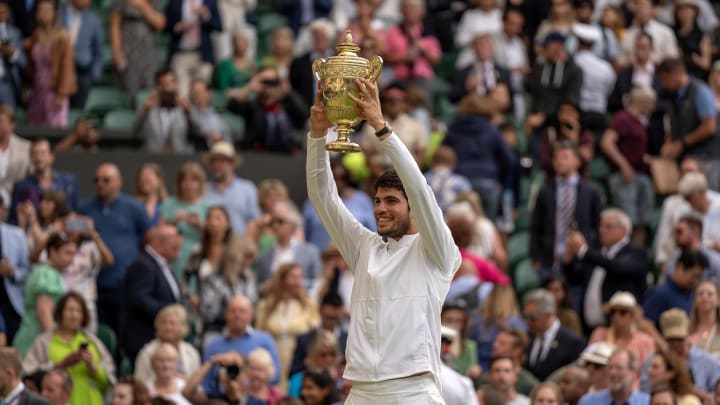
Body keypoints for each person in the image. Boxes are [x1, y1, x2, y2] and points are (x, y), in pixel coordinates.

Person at [307, 75, 462, 401]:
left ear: (412, 208)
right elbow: (323, 197)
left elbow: (420, 189)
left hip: (413, 391)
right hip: (361, 391)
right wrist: (318, 134)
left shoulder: (436, 252)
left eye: (391, 201)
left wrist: (381, 127)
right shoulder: (364, 248)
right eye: (377, 201)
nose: (380, 209)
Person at [78, 163, 151, 336]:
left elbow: (148, 236)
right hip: (93, 284)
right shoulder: (84, 208)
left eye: (106, 180)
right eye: (96, 180)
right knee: (97, 333)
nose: (100, 184)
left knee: (124, 332)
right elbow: (71, 233)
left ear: (119, 182)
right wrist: (77, 224)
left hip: (124, 283)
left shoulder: (134, 207)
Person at [564, 209, 649, 330]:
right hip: (589, 328)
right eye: (601, 226)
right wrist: (569, 259)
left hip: (619, 328)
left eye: (608, 227)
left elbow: (617, 267)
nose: (602, 231)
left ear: (623, 230)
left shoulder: (636, 253)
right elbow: (576, 279)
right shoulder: (597, 254)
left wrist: (583, 250)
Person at [23, 292, 114, 405]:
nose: (74, 315)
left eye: (79, 311)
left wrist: (92, 365)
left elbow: (109, 379)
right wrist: (60, 364)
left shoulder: (92, 341)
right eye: (70, 310)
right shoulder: (44, 341)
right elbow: (28, 375)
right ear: (60, 312)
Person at [531, 142, 604, 279]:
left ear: (577, 161)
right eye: (556, 158)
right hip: (550, 259)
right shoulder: (545, 191)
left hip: (581, 262)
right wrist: (536, 257)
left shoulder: (591, 192)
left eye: (564, 157)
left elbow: (599, 226)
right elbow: (536, 226)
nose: (559, 162)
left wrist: (593, 253)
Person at [442, 93, 514, 219]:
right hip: (488, 183)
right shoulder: (492, 130)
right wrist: (500, 181)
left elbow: (443, 155)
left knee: (461, 231)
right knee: (486, 229)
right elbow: (508, 161)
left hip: (460, 184)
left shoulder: (453, 129)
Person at [601, 86, 657, 245]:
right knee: (628, 221)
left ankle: (636, 258)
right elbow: (607, 143)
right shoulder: (623, 118)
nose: (653, 107)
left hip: (640, 174)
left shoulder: (639, 122)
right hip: (625, 177)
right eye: (652, 102)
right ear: (642, 101)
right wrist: (624, 165)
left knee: (642, 221)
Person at [122, 224, 183, 364]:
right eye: (175, 245)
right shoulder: (143, 265)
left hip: (161, 340)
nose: (179, 248)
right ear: (159, 241)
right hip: (145, 339)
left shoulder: (162, 264)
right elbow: (139, 299)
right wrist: (169, 313)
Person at [658, 58, 720, 190]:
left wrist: (681, 143)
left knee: (710, 200)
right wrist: (670, 144)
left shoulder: (700, 91)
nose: (663, 84)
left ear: (676, 73)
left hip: (708, 159)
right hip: (688, 160)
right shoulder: (673, 96)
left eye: (665, 79)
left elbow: (710, 127)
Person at [256, 263, 319, 391]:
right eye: (293, 277)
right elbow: (259, 333)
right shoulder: (266, 305)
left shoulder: (308, 304)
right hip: (273, 357)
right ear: (282, 279)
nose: (297, 282)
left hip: (298, 360)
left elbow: (315, 333)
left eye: (300, 277)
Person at [202, 295, 281, 398]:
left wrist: (248, 379)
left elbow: (276, 376)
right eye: (233, 311)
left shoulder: (264, 340)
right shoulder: (213, 345)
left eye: (242, 311)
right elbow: (206, 383)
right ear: (226, 314)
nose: (237, 315)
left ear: (251, 315)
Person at [13, 233, 75, 357]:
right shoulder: (47, 275)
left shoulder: (43, 271)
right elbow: (43, 313)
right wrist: (57, 343)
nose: (71, 259)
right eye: (67, 253)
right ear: (52, 251)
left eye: (73, 254)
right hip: (36, 341)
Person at [226, 65, 308, 153]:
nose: (268, 85)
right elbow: (232, 106)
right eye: (265, 81)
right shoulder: (252, 106)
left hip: (285, 156)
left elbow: (304, 113)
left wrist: (288, 91)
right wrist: (250, 87)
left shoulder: (285, 104)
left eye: (272, 81)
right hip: (258, 156)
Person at [641, 309, 720, 396]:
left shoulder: (706, 361)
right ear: (663, 337)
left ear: (687, 335)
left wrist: (698, 393)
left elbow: (716, 393)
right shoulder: (652, 361)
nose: (675, 344)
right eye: (671, 339)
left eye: (679, 339)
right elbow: (644, 391)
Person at [303, 158, 375, 252]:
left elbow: (374, 232)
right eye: (334, 178)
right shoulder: (313, 201)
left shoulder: (362, 200)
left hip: (356, 259)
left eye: (342, 178)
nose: (338, 182)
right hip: (321, 259)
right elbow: (305, 234)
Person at [25, 0, 76, 128]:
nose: (43, 14)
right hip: (37, 91)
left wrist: (62, 94)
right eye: (40, 11)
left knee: (53, 126)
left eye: (47, 11)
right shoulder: (36, 35)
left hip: (54, 90)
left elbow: (67, 68)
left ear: (55, 14)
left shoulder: (62, 37)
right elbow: (31, 65)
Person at [8, 139, 79, 225]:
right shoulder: (21, 186)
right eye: (35, 154)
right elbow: (13, 221)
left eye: (43, 153)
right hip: (31, 235)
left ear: (52, 156)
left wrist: (68, 226)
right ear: (31, 158)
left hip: (64, 234)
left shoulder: (69, 182)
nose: (38, 158)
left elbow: (75, 218)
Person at [255, 201, 321, 291]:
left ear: (293, 225)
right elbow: (258, 286)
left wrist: (295, 283)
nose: (275, 225)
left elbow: (317, 283)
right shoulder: (265, 256)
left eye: (280, 221)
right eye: (272, 222)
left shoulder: (310, 252)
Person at [109, 0, 166, 104]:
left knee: (150, 88)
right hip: (128, 51)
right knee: (130, 90)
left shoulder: (153, 2)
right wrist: (116, 50)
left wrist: (143, 6)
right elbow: (114, 24)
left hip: (148, 52)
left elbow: (160, 24)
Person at [199, 235, 258, 334]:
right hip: (217, 332)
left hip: (245, 333)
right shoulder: (213, 280)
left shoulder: (248, 279)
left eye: (250, 258)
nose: (248, 262)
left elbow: (253, 309)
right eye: (245, 257)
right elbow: (207, 314)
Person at [523, 289, 585, 381]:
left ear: (548, 315)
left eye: (532, 318)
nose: (527, 322)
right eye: (525, 317)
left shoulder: (573, 342)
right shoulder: (527, 337)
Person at [163, 0, 220, 99]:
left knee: (201, 95)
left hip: (202, 55)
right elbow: (165, 24)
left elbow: (219, 26)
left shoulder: (209, 2)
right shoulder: (175, 2)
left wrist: (206, 16)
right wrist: (177, 27)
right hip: (181, 54)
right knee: (182, 95)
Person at [587, 292, 655, 375]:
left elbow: (647, 373)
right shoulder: (599, 334)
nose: (616, 316)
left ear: (633, 316)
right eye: (613, 312)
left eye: (623, 312)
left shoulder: (645, 341)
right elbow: (588, 364)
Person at [159, 161, 208, 277]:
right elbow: (158, 235)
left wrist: (199, 225)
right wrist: (173, 222)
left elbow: (215, 238)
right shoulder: (168, 205)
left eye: (193, 180)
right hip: (172, 260)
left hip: (198, 260)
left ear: (200, 184)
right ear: (179, 183)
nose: (189, 185)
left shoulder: (208, 208)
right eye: (184, 180)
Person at [203, 141, 261, 235]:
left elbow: (255, 220)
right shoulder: (204, 189)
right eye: (214, 161)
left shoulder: (248, 189)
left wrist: (245, 243)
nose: (217, 165)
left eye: (221, 161)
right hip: (211, 245)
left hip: (239, 243)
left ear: (232, 164)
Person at [134, 304, 201, 382]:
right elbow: (140, 383)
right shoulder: (148, 352)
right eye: (163, 323)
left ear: (183, 327)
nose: (168, 328)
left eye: (172, 323)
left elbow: (197, 384)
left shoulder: (190, 351)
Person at [183, 205, 231, 312]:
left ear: (228, 223)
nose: (213, 222)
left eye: (218, 218)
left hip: (230, 310)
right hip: (203, 310)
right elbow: (184, 278)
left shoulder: (234, 250)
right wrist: (190, 296)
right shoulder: (198, 250)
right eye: (209, 218)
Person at [288, 292, 347, 377]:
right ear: (320, 311)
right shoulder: (304, 339)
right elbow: (294, 372)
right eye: (327, 317)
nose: (327, 359)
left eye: (333, 318)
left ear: (340, 313)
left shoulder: (348, 340)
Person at [133, 69, 192, 153]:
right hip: (154, 158)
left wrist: (188, 111)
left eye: (172, 82)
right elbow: (134, 131)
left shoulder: (183, 110)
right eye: (165, 84)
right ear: (158, 87)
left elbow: (199, 131)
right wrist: (144, 110)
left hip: (180, 157)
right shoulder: (149, 111)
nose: (169, 88)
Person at [58, 0, 103, 109]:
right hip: (59, 72)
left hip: (83, 74)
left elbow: (98, 51)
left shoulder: (93, 20)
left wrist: (93, 75)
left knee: (78, 111)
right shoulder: (57, 15)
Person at [572, 23, 616, 135]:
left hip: (577, 113)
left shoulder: (572, 63)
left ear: (578, 43)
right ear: (594, 45)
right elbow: (609, 89)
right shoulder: (605, 67)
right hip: (598, 113)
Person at [469, 285, 525, 372]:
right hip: (502, 369)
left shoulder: (476, 320)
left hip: (479, 367)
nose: (495, 345)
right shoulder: (516, 322)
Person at [643, 249, 708, 324]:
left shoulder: (695, 294)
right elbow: (645, 323)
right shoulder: (659, 293)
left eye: (699, 278)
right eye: (694, 276)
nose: (696, 281)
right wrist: (659, 336)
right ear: (680, 267)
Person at [0, 196, 31, 344]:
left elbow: (28, 271)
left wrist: (12, 272)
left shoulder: (17, 234)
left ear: (2, 209)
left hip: (11, 305)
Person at [450, 33, 511, 103]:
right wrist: (466, 88)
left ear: (492, 48)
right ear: (474, 50)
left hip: (495, 106)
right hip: (472, 107)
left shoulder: (503, 72)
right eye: (478, 46)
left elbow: (509, 98)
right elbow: (453, 96)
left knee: (501, 91)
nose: (481, 49)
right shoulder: (463, 72)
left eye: (485, 46)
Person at [578, 348, 649, 405]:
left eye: (619, 368)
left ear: (633, 373)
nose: (612, 373)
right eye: (610, 367)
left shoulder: (646, 402)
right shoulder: (589, 402)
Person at [619, 0, 678, 66]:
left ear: (652, 9)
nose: (640, 9)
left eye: (644, 5)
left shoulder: (665, 32)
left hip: (659, 73)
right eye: (638, 5)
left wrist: (654, 62)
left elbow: (673, 59)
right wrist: (633, 62)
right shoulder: (627, 35)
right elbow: (621, 61)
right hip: (634, 73)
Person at [287, 330, 340, 398]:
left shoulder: (341, 378)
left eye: (332, 354)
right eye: (323, 354)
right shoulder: (298, 380)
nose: (328, 359)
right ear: (313, 354)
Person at [0, 105, 31, 204]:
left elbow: (31, 176)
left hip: (17, 202)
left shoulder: (26, 147)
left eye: (1, 121)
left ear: (12, 124)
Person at [673, 0, 711, 80]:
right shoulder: (672, 32)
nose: (684, 13)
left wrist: (694, 58)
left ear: (694, 13)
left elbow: (706, 64)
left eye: (687, 9)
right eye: (681, 10)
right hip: (676, 73)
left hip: (696, 74)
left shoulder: (702, 35)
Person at [188, 79, 231, 150]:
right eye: (194, 92)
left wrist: (220, 139)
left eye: (199, 92)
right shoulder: (186, 113)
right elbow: (197, 128)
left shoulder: (216, 118)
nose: (197, 95)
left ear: (208, 93)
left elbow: (228, 141)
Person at [0, 0, 26, 108]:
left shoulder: (14, 33)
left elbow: (23, 62)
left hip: (6, 83)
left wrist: (13, 53)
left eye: (3, 12)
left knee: (8, 117)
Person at [688, 280, 720, 355]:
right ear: (695, 300)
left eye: (710, 294)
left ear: (718, 300)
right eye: (700, 294)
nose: (705, 297)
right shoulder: (686, 329)